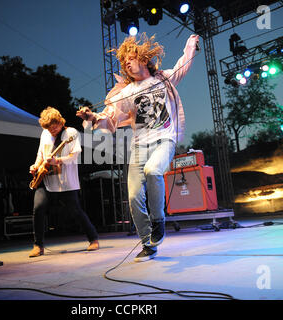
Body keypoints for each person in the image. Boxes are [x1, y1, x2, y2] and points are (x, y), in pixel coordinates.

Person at [77, 33, 199, 262]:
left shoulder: (163, 79)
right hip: (139, 146)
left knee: (153, 171)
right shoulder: (126, 92)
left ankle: (158, 221)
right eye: (124, 63)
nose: (127, 64)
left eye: (131, 59)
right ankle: (148, 244)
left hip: (164, 139)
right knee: (133, 196)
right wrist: (92, 116)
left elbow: (183, 64)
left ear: (142, 58)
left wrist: (191, 44)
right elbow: (110, 116)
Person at [29, 106, 99, 257]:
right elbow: (40, 154)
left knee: (75, 210)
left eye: (54, 128)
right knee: (38, 208)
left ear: (60, 123)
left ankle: (93, 239)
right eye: (49, 129)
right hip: (46, 179)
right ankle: (38, 245)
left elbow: (75, 155)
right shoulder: (45, 133)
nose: (52, 131)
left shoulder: (71, 133)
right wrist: (35, 166)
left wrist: (57, 160)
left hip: (65, 181)